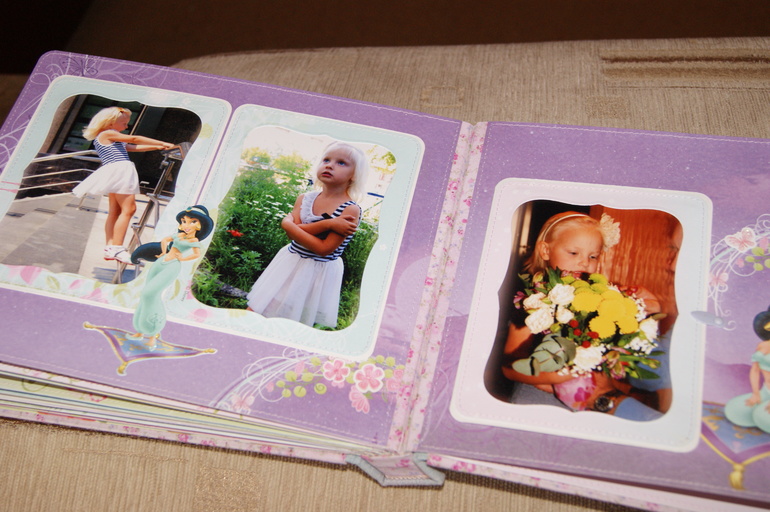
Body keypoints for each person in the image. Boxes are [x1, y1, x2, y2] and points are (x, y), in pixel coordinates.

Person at [501, 211, 663, 420]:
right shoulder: (534, 302)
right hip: (539, 403)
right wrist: (561, 376)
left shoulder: (599, 300)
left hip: (590, 404)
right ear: (545, 250)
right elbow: (509, 369)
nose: (584, 263)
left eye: (593, 256)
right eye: (573, 253)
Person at [246, 142, 368, 328]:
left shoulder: (350, 209)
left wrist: (288, 225)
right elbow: (292, 235)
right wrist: (327, 223)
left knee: (290, 322)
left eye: (341, 163)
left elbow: (323, 249)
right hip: (290, 261)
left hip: (315, 270)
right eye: (326, 160)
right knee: (257, 310)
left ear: (354, 175)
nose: (330, 165)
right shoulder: (305, 198)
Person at [72, 106, 175, 264]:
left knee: (115, 211)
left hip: (115, 171)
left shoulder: (110, 137)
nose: (126, 126)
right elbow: (134, 139)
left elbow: (132, 147)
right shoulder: (108, 133)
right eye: (124, 123)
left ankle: (110, 247)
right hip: (120, 171)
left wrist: (157, 146)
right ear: (110, 123)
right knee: (129, 209)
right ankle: (117, 248)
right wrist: (162, 142)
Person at [130, 205, 214, 345]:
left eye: (192, 222)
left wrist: (182, 258)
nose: (186, 225)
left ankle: (153, 331)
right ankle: (139, 329)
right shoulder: (179, 235)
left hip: (172, 265)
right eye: (184, 221)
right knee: (145, 293)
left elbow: (196, 254)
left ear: (199, 226)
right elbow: (165, 240)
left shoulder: (193, 241)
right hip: (161, 261)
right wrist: (164, 252)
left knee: (150, 294)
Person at [724, 307, 770, 433]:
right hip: (766, 391)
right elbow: (755, 370)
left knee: (761, 417)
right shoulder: (763, 346)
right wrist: (756, 394)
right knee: (735, 411)